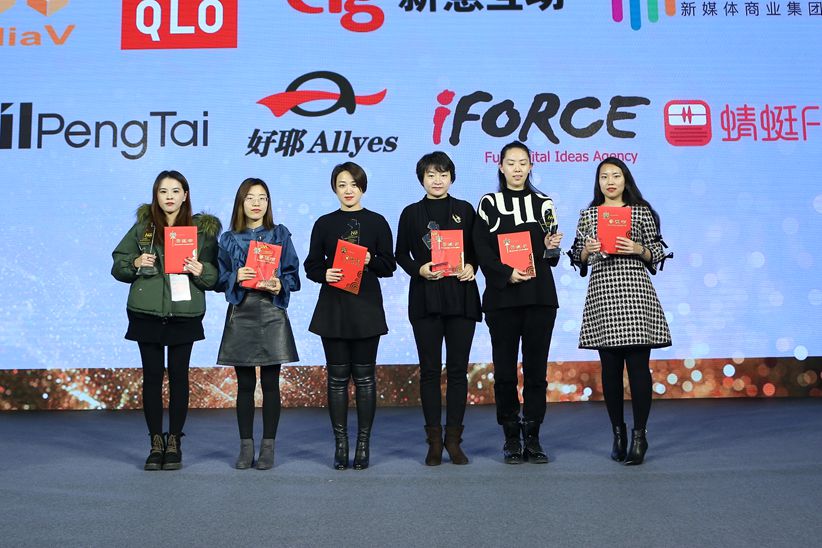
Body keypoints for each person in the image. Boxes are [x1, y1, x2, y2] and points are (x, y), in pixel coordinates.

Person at [111, 170, 220, 470]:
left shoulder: (202, 231)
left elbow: (216, 276)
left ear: (185, 195)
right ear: (155, 196)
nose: (169, 197)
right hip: (146, 313)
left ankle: (174, 441)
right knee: (152, 377)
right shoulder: (143, 228)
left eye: (175, 191)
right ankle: (155, 442)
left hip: (184, 314)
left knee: (179, 377)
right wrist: (135, 262)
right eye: (163, 191)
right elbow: (118, 264)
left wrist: (201, 270)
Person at [569, 157, 672, 465]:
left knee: (638, 368)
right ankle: (618, 434)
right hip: (603, 294)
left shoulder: (641, 212)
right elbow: (576, 255)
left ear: (626, 179)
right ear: (598, 182)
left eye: (616, 175)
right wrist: (586, 251)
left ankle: (640, 436)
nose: (610, 181)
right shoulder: (589, 215)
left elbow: (658, 251)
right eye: (604, 177)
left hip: (635, 294)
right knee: (610, 370)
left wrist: (639, 249)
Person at [473, 140, 563, 464]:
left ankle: (534, 436)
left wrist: (551, 245)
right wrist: (505, 274)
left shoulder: (544, 203)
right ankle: (511, 436)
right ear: (500, 166)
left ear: (530, 166)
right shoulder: (489, 203)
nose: (517, 169)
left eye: (522, 163)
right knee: (505, 372)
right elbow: (480, 249)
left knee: (536, 372)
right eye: (510, 163)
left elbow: (552, 256)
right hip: (502, 299)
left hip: (539, 297)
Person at [303, 162, 396, 470]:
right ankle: (341, 445)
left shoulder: (377, 222)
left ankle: (363, 444)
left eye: (353, 184)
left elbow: (389, 265)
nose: (348, 190)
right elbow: (311, 265)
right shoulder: (324, 223)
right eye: (342, 184)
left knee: (366, 379)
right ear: (334, 188)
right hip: (334, 308)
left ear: (362, 187)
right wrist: (325, 273)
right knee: (337, 380)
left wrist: (370, 259)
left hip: (366, 308)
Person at [395, 151, 481, 466]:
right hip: (426, 298)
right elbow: (399, 254)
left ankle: (454, 441)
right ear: (422, 179)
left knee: (458, 371)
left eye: (443, 174)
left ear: (451, 177)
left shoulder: (465, 210)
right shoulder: (411, 213)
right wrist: (419, 269)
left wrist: (472, 266)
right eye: (431, 174)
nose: (437, 180)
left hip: (461, 297)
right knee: (430, 371)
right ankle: (433, 442)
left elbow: (479, 249)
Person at [215, 178, 300, 470]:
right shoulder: (228, 239)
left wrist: (280, 283)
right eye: (250, 197)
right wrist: (235, 277)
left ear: (268, 203)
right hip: (242, 312)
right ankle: (245, 447)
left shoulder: (280, 234)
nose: (256, 203)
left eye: (262, 197)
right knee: (245, 385)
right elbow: (217, 278)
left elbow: (293, 275)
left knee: (271, 384)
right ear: (241, 202)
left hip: (271, 312)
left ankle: (268, 447)